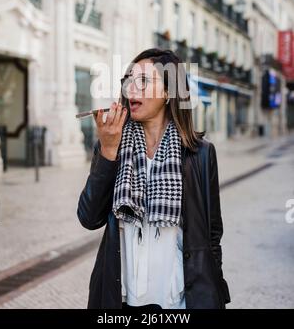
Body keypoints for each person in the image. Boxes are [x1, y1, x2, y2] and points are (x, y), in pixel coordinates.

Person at [77, 48, 231, 309]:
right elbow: (89, 218)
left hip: (179, 300)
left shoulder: (201, 154)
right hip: (123, 299)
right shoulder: (111, 145)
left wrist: (213, 290)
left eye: (144, 81)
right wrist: (108, 151)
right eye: (129, 80)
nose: (131, 88)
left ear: (169, 91)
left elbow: (212, 233)